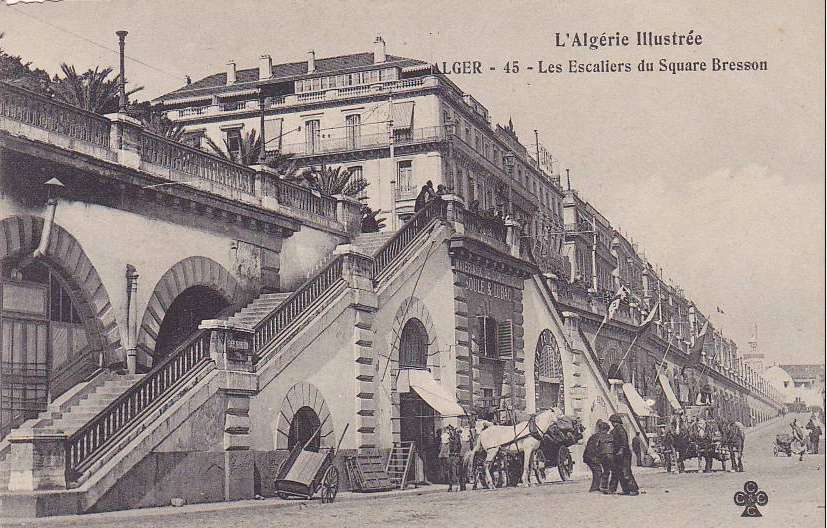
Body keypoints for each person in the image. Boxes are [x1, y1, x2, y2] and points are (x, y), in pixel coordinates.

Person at [607, 414, 640, 496]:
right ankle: (626, 490)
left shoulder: (620, 429)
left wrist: (621, 450)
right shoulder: (616, 429)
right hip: (618, 454)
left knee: (626, 472)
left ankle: (633, 490)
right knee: (620, 473)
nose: (612, 423)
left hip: (623, 454)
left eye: (613, 422)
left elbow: (624, 441)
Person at [583, 420, 605, 492]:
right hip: (591, 457)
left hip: (589, 456)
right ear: (603, 430)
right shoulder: (600, 437)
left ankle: (595, 487)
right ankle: (594, 488)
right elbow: (595, 448)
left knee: (597, 471)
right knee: (598, 471)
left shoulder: (594, 436)